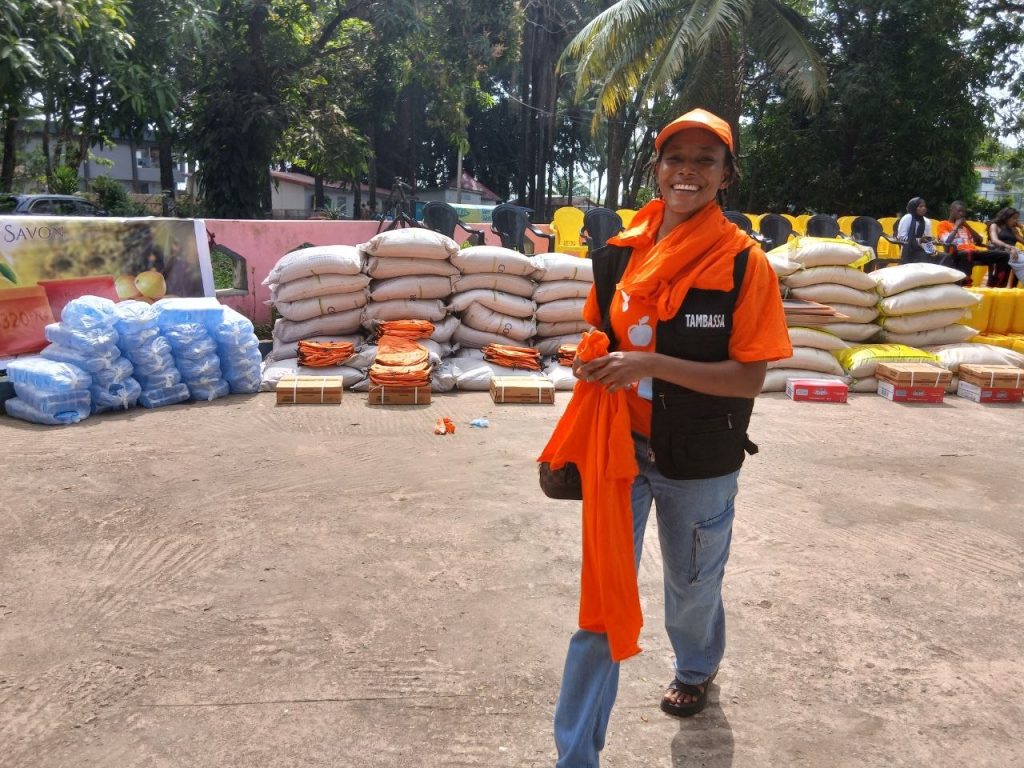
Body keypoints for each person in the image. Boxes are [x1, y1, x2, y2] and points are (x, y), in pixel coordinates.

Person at [541, 108, 792, 768]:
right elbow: (600, 332)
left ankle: (696, 666)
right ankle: (575, 757)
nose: (688, 170)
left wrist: (650, 365)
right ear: (656, 168)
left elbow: (749, 378)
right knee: (600, 607)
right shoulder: (620, 255)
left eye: (705, 160)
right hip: (619, 452)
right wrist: (594, 357)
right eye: (675, 156)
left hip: (700, 462)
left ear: (725, 176)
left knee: (690, 588)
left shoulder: (743, 267)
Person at [936, 201, 1009, 286]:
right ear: (951, 211)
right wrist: (956, 227)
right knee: (968, 253)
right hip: (956, 253)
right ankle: (966, 282)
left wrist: (967, 226)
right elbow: (947, 241)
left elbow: (979, 241)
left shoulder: (965, 227)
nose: (962, 214)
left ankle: (996, 284)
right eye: (959, 211)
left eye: (964, 212)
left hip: (974, 252)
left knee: (1004, 255)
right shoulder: (943, 224)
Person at [988, 207, 1022, 287]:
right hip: (1000, 251)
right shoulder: (995, 226)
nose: (1015, 221)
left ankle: (1012, 288)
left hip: (1013, 254)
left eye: (1016, 219)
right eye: (1013, 218)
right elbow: (994, 240)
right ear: (1006, 217)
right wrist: (1009, 247)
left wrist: (1022, 228)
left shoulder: (1013, 230)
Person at [896, 197, 937, 263]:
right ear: (914, 207)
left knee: (945, 256)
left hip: (923, 249)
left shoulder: (926, 221)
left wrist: (933, 251)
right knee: (924, 257)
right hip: (909, 251)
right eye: (920, 206)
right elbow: (901, 238)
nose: (924, 208)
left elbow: (927, 240)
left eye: (924, 206)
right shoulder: (908, 218)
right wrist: (919, 240)